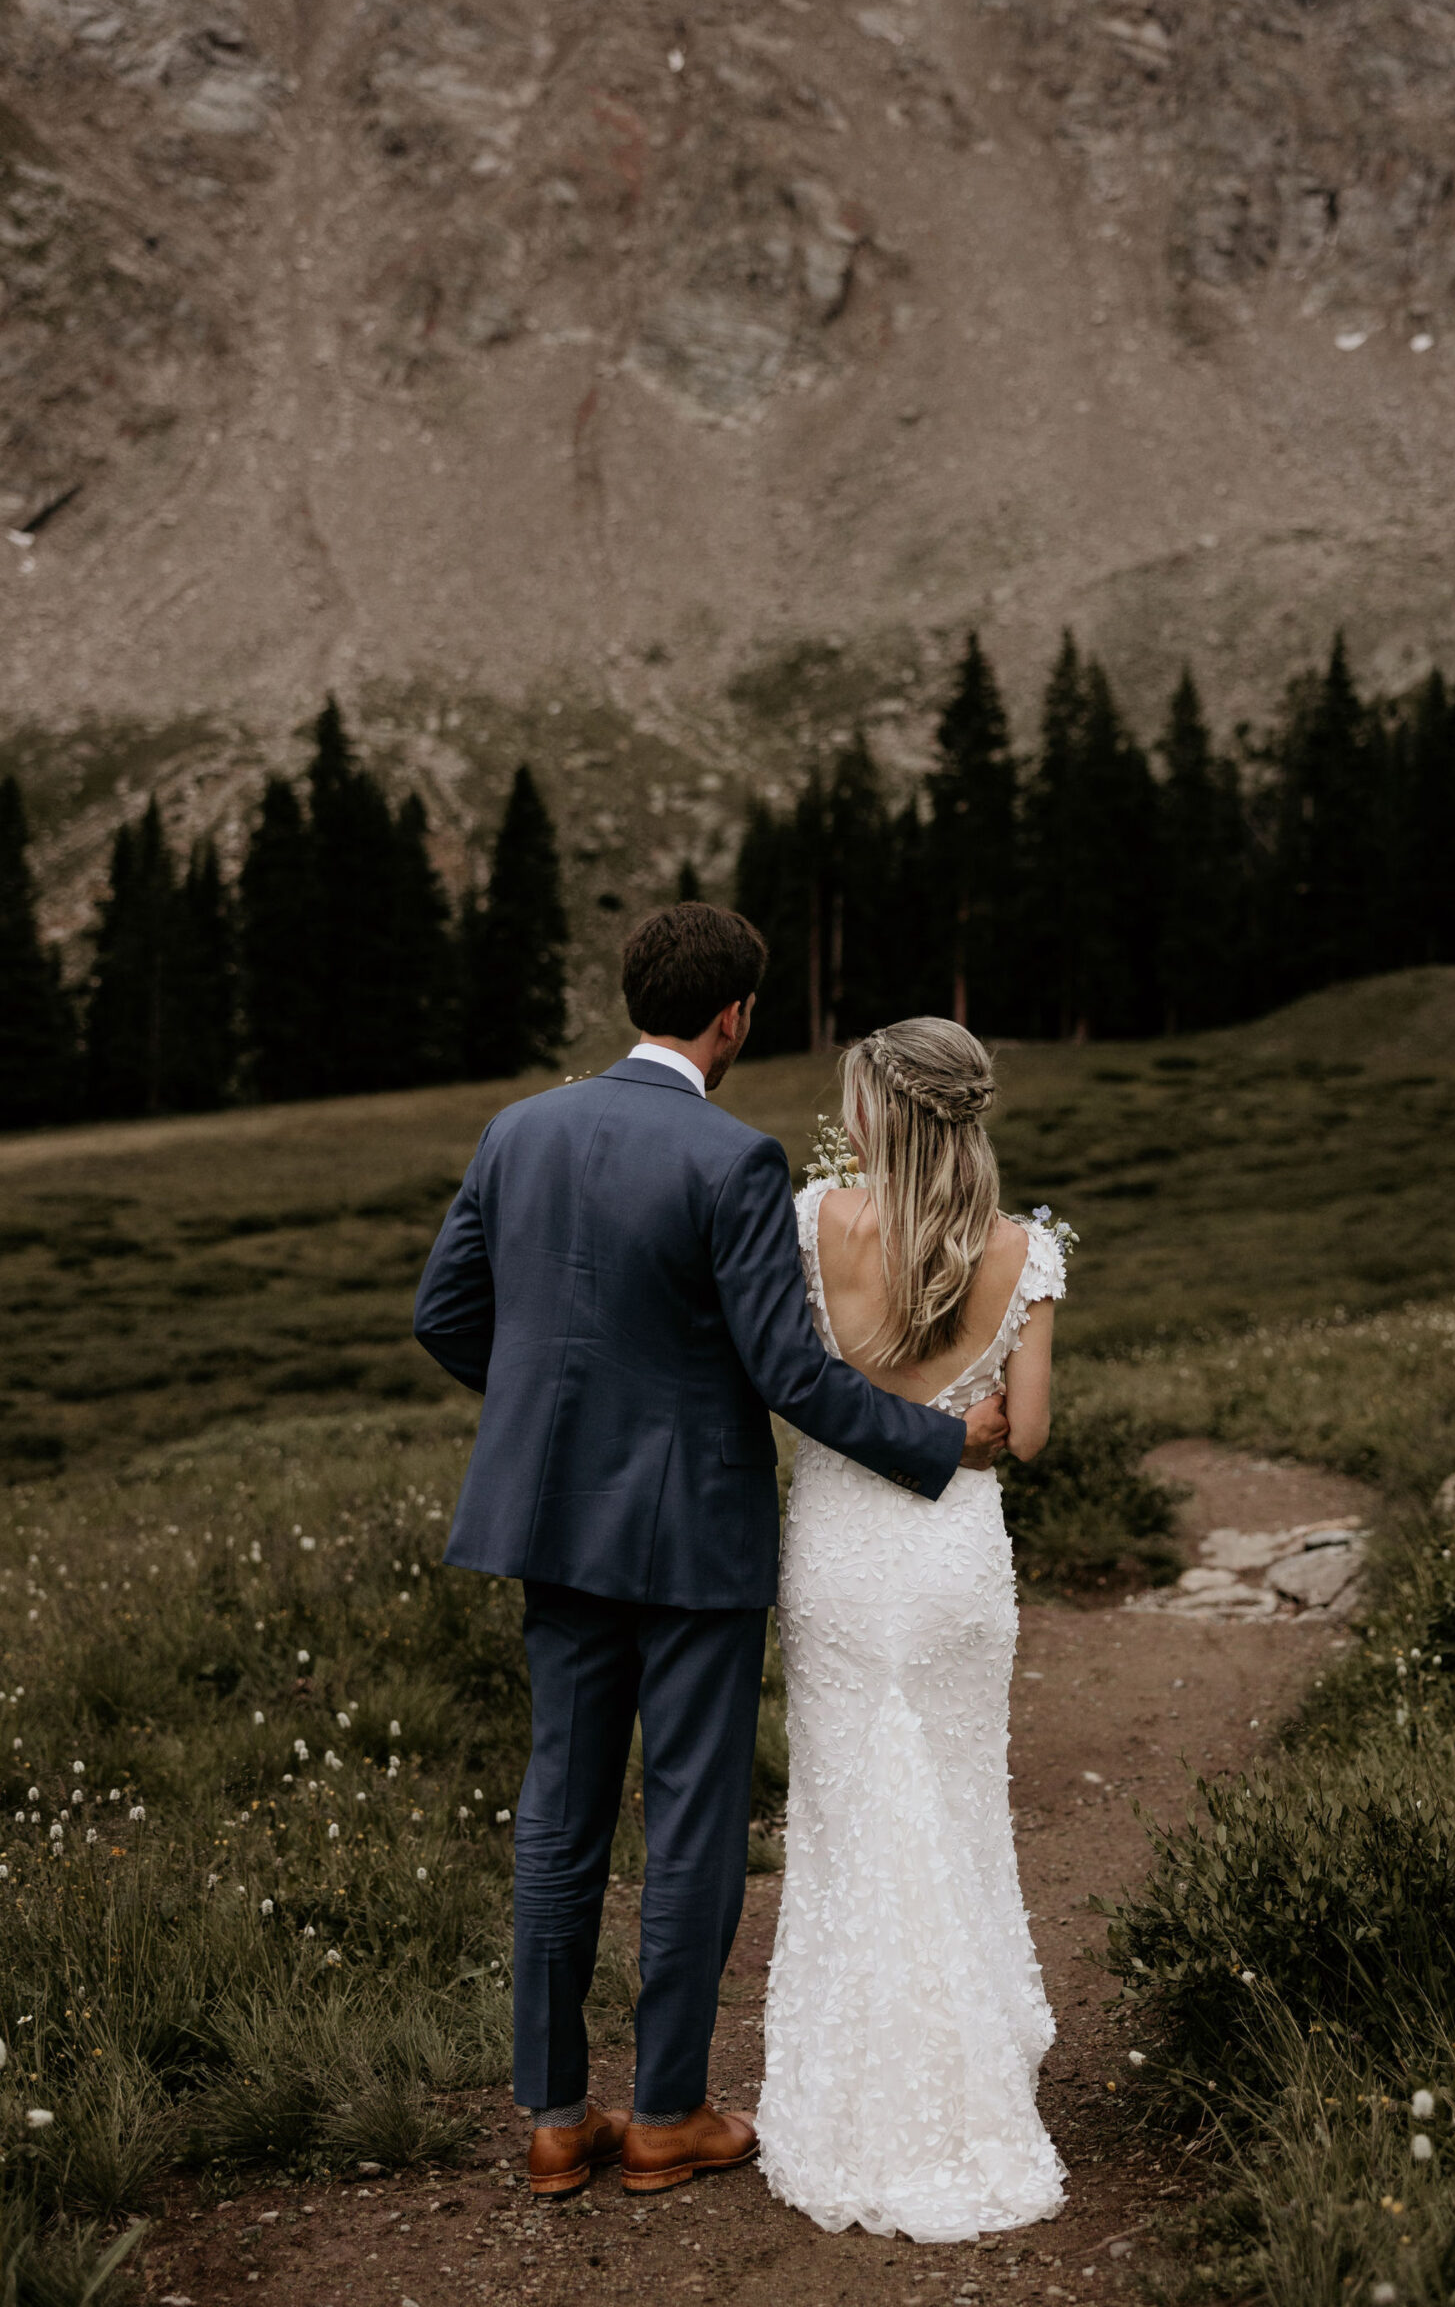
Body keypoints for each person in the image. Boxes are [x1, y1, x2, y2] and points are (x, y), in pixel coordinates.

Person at [412, 907, 1010, 2199]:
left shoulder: (516, 1132)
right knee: (689, 1822)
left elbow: (444, 1313)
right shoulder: (729, 1161)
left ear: (635, 997)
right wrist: (932, 1441)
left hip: (551, 1531)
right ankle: (667, 2113)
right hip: (694, 1540)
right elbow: (787, 1370)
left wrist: (546, 1419)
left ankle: (557, 2121)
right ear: (731, 1016)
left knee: (559, 1817)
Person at [757, 1016, 1066, 2243]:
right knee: (957, 1801)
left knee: (843, 1811)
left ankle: (856, 2081)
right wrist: (970, 1410)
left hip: (838, 1551)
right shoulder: (1023, 1248)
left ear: (880, 1112)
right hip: (952, 1559)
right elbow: (1027, 1436)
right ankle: (974, 2058)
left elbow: (787, 1376)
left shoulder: (815, 1222)